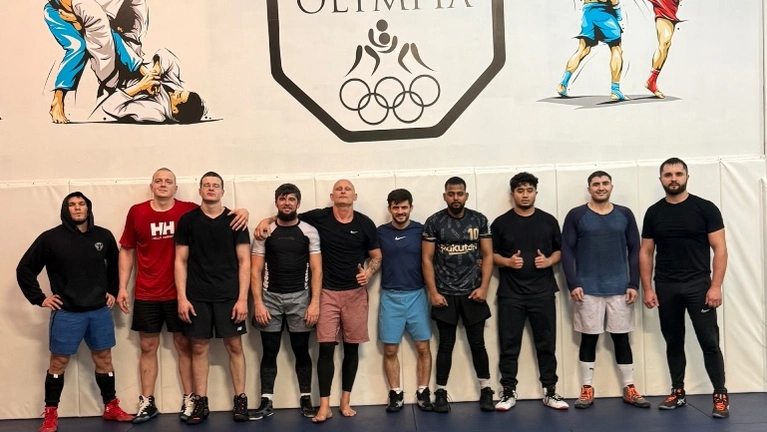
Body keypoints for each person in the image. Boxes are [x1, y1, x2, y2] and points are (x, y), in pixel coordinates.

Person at [115, 168, 248, 423]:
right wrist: (123, 287)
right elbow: (136, 251)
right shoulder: (171, 216)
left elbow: (243, 257)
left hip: (209, 295)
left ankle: (212, 399)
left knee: (213, 345)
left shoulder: (212, 215)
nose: (163, 184)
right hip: (170, 293)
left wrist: (245, 212)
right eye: (158, 181)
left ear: (176, 188)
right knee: (161, 346)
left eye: (168, 181)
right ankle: (163, 401)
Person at [254, 179, 381, 423]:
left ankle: (345, 402)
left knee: (351, 349)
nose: (343, 192)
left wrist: (369, 272)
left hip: (355, 293)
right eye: (339, 189)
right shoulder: (318, 218)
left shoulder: (365, 223)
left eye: (348, 189)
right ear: (332, 196)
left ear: (355, 196)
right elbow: (288, 216)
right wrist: (265, 221)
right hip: (327, 293)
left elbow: (376, 256)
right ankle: (324, 406)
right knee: (325, 349)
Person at [17, 192, 134, 432]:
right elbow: (25, 268)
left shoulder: (103, 236)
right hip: (67, 312)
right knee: (58, 362)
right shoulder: (51, 239)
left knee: (104, 359)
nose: (77, 208)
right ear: (65, 209)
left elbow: (115, 266)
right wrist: (40, 298)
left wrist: (113, 290)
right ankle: (51, 413)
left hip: (99, 311)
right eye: (72, 204)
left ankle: (111, 406)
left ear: (88, 208)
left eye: (81, 204)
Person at [640, 157, 729, 418]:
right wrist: (647, 288)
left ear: (687, 177)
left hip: (698, 286)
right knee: (673, 341)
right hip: (666, 286)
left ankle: (720, 395)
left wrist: (716, 286)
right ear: (661, 179)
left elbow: (720, 249)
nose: (673, 179)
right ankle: (677, 392)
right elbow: (646, 252)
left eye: (678, 174)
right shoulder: (654, 212)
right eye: (668, 175)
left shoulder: (705, 208)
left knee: (709, 342)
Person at [561, 171, 650, 409]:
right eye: (596, 184)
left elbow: (635, 249)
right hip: (587, 290)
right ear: (589, 188)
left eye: (604, 183)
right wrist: (573, 283)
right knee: (588, 339)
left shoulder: (624, 214)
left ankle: (629, 388)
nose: (601, 187)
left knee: (621, 339)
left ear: (611, 186)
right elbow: (566, 250)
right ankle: (586, 389)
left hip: (620, 289)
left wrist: (633, 284)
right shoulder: (576, 215)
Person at [174, 172, 252, 425]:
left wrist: (242, 299)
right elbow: (180, 261)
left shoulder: (236, 220)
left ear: (222, 192)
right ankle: (201, 402)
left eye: (215, 185)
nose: (211, 189)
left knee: (235, 346)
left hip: (229, 296)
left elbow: (245, 261)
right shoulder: (188, 221)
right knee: (198, 348)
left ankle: (240, 400)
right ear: (200, 190)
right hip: (197, 296)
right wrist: (182, 298)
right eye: (206, 185)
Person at [490, 172, 568, 411]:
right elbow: (490, 255)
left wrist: (549, 261)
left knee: (546, 344)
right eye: (520, 191)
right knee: (509, 345)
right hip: (510, 294)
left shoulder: (548, 221)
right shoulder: (501, 223)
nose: (525, 195)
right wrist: (507, 262)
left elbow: (560, 251)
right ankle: (508, 392)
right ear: (513, 193)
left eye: (529, 190)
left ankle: (550, 391)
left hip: (542, 292)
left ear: (536, 192)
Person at [422, 176, 494, 413]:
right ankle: (440, 393)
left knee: (478, 344)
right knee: (445, 345)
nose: (455, 198)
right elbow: (426, 259)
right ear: (445, 196)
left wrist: (484, 288)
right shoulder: (434, 222)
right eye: (451, 194)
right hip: (444, 294)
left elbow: (488, 255)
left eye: (459, 194)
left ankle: (486, 390)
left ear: (466, 196)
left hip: (473, 293)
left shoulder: (479, 220)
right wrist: (433, 292)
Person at [250, 183, 322, 419]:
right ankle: (266, 402)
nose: (287, 203)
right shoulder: (265, 231)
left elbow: (317, 269)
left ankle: (306, 400)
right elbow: (255, 270)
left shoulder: (309, 232)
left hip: (300, 300)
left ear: (298, 203)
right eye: (283, 199)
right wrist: (258, 303)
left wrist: (314, 303)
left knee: (301, 351)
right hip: (269, 299)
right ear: (276, 202)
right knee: (269, 352)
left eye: (291, 199)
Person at [44, 0, 149, 123]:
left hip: (82, 15)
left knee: (110, 34)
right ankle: (58, 99)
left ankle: (141, 69)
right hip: (57, 12)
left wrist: (78, 20)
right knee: (78, 47)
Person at [377, 189, 433, 413]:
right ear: (390, 209)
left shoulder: (421, 230)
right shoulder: (380, 232)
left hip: (417, 295)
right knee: (390, 350)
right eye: (396, 207)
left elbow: (436, 256)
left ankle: (423, 391)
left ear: (411, 207)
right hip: (390, 297)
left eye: (404, 207)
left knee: (423, 347)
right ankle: (395, 393)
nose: (400, 211)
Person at [557, 0, 629, 101]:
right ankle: (615, 90)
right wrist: (618, 15)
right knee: (616, 48)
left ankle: (563, 84)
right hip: (604, 13)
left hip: (588, 13)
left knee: (582, 50)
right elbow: (613, 1)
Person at [645, 0, 683, 99]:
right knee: (664, 42)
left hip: (673, 8)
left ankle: (652, 80)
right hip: (662, 6)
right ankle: (651, 80)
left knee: (666, 44)